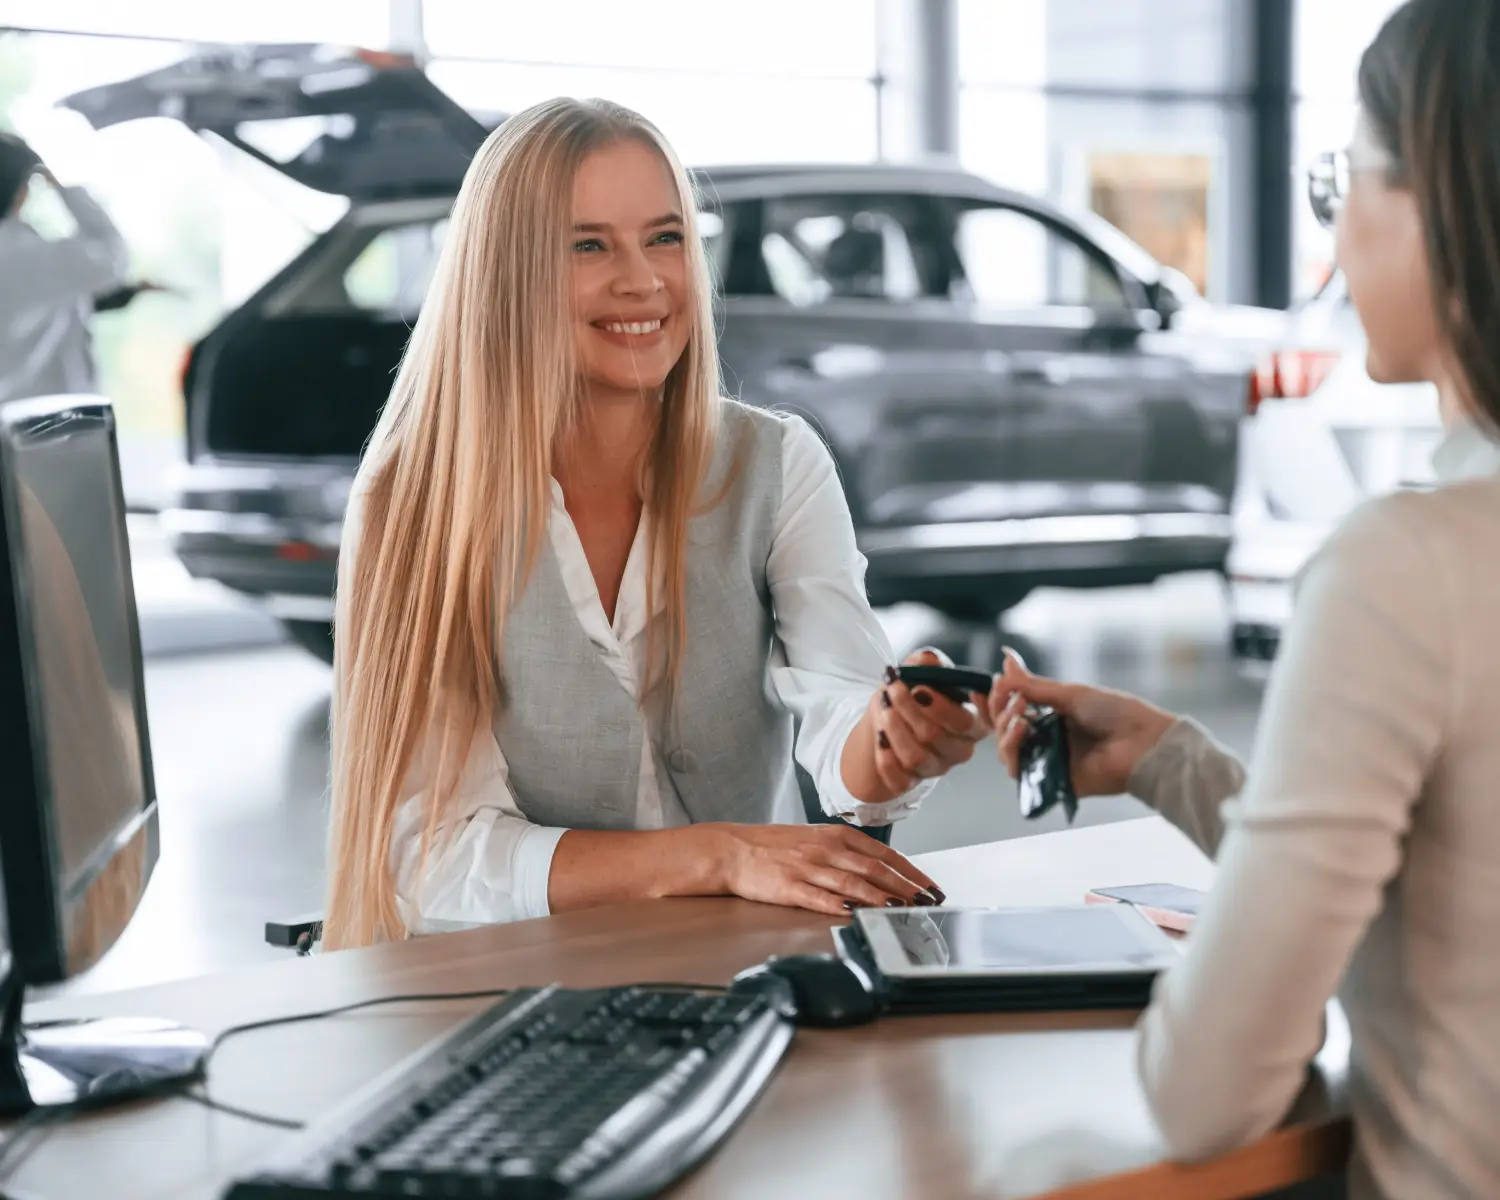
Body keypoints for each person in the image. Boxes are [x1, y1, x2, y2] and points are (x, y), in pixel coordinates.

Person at [988, 4, 1500, 1194]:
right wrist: (1173, 759)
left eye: (1346, 173)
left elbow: (1208, 1090)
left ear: (1453, 197)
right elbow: (1451, 875)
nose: (1333, 225)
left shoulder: (1405, 569)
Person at [323, 98, 994, 951]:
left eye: (667, 237)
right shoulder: (415, 501)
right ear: (505, 273)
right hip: (503, 978)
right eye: (588, 244)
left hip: (736, 967)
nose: (642, 280)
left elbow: (843, 726)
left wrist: (893, 740)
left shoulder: (779, 463)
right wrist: (714, 856)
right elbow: (433, 851)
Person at [0, 133, 130, 404]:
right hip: (53, 421)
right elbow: (113, 257)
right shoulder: (41, 256)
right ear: (22, 192)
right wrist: (61, 186)